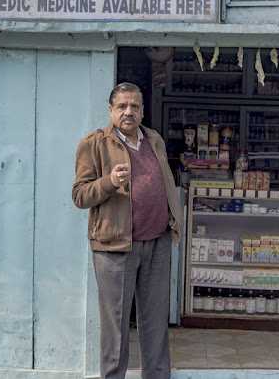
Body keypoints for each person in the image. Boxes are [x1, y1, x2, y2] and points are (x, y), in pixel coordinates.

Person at [72, 82, 184, 379]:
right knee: (116, 325)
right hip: (115, 247)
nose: (128, 111)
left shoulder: (154, 139)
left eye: (134, 106)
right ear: (110, 110)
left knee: (156, 323)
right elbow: (80, 195)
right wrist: (109, 182)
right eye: (122, 106)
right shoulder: (94, 144)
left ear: (143, 111)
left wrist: (174, 221)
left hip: (157, 243)